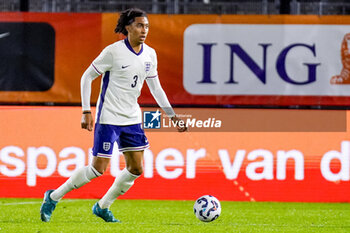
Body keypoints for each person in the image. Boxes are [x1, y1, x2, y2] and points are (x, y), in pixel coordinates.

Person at [40, 8, 186, 223]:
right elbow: (86, 77)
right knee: (98, 169)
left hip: (132, 119)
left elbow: (156, 88)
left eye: (146, 26)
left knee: (136, 168)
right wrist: (86, 111)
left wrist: (172, 115)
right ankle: (53, 197)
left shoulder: (150, 54)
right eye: (139, 25)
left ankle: (102, 206)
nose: (144, 30)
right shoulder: (113, 52)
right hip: (109, 117)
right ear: (128, 27)